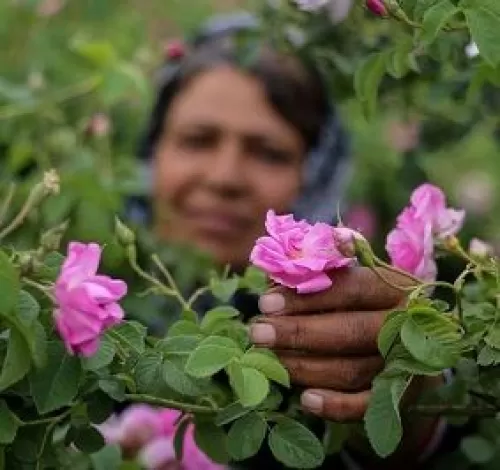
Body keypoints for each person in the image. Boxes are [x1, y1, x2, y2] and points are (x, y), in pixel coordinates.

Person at [130, 11, 454, 470]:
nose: (224, 179)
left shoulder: (339, 326)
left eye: (268, 152)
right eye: (197, 140)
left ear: (317, 171)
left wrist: (409, 392)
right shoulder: (88, 317)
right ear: (153, 150)